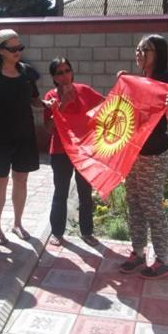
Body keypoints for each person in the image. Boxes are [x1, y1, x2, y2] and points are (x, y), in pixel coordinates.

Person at [117, 34, 168, 279]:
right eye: (138, 49)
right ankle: (138, 252)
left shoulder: (165, 82)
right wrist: (123, 85)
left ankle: (164, 260)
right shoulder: (140, 81)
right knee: (134, 204)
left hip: (154, 154)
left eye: (146, 49)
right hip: (134, 153)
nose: (139, 53)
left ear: (159, 53)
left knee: (152, 207)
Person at [0, 29, 48, 245]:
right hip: (0, 136)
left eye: (20, 47)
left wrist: (47, 104)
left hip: (25, 135)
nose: (17, 51)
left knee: (21, 179)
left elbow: (35, 101)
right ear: (0, 50)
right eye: (12, 48)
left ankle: (17, 223)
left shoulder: (27, 73)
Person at [43, 57, 105, 247]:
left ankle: (87, 232)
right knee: (60, 192)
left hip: (84, 151)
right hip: (61, 152)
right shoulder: (50, 97)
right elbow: (48, 128)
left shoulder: (84, 90)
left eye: (67, 70)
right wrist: (61, 105)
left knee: (85, 192)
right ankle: (57, 232)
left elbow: (107, 106)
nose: (65, 75)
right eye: (59, 73)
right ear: (54, 77)